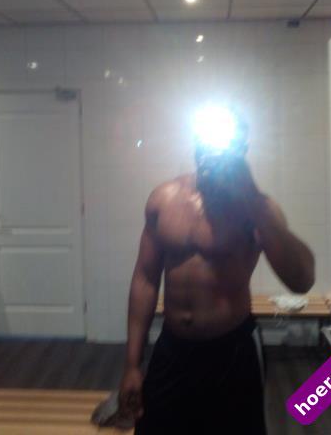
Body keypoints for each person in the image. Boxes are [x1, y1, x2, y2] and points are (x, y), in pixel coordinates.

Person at [118, 107, 315, 434]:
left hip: (233, 352)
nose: (211, 151)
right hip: (172, 347)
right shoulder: (163, 199)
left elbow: (302, 279)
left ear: (241, 149)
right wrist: (131, 365)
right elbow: (146, 279)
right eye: (205, 140)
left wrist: (252, 196)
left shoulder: (255, 208)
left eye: (223, 143)